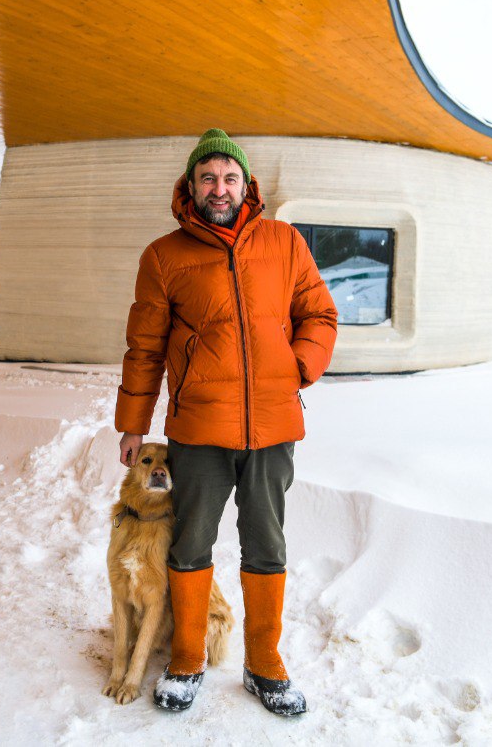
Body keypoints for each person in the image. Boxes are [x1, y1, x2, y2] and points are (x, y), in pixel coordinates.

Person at [114, 129, 338, 715]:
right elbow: (144, 348)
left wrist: (297, 367)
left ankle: (264, 663)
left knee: (267, 544)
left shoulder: (285, 244)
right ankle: (187, 659)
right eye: (208, 178)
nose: (219, 188)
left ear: (247, 185)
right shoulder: (164, 257)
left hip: (272, 427)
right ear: (191, 186)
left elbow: (319, 312)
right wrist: (133, 424)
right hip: (198, 431)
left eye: (229, 177)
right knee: (189, 543)